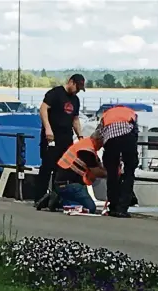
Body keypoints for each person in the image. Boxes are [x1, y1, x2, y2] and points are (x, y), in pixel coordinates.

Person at [34, 74, 86, 206]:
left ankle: (56, 198)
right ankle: (39, 197)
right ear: (71, 82)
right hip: (52, 136)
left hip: (66, 137)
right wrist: (48, 128)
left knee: (62, 169)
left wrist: (80, 136)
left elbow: (75, 119)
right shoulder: (56, 93)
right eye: (77, 87)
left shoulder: (76, 100)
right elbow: (43, 109)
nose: (77, 91)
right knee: (47, 166)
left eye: (80, 89)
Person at [99, 105, 139, 218]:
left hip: (111, 140)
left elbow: (100, 133)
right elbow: (135, 130)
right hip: (128, 138)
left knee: (112, 174)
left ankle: (113, 207)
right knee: (129, 173)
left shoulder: (106, 115)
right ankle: (122, 208)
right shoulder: (131, 113)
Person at [54, 131, 106, 213]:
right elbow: (97, 172)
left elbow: (98, 168)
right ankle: (58, 201)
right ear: (98, 140)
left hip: (68, 183)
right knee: (90, 208)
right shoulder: (87, 150)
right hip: (69, 185)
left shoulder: (86, 145)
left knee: (80, 203)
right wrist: (112, 174)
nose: (103, 146)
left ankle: (60, 199)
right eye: (103, 143)